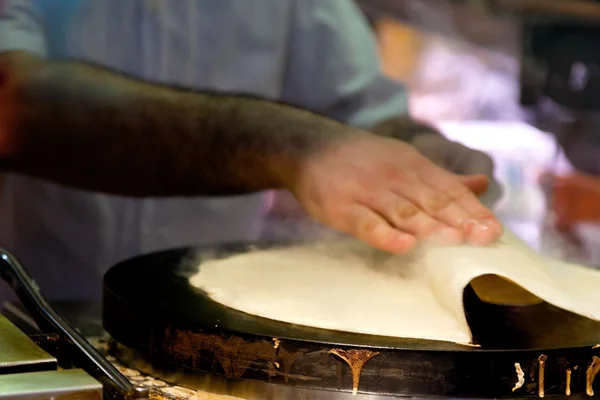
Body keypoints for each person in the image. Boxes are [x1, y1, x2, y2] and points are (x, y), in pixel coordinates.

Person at [0, 0, 502, 302]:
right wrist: (293, 148)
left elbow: (358, 110)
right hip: (31, 317)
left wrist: (416, 153)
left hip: (212, 317)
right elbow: (18, 105)